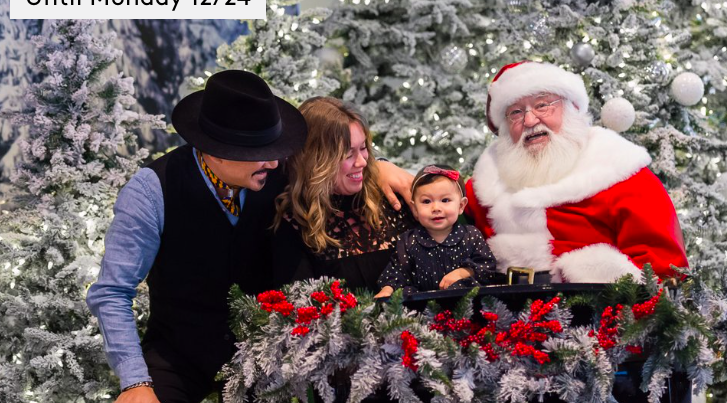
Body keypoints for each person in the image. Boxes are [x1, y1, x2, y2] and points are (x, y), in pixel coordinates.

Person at [86, 71, 413, 403]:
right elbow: (112, 292)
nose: (274, 161)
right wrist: (134, 381)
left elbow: (332, 162)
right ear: (215, 151)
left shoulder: (275, 169)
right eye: (261, 152)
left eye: (275, 149)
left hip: (267, 355)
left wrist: (382, 167)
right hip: (178, 355)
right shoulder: (152, 190)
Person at [465, 61, 688, 283]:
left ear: (570, 108)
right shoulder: (482, 189)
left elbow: (662, 271)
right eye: (515, 112)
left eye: (542, 106)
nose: (530, 120)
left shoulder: (623, 174)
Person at [271, 97, 417, 293]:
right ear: (316, 161)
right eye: (348, 154)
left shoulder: (391, 198)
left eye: (363, 148)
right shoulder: (294, 221)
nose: (362, 162)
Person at [374, 165, 496, 298]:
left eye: (445, 200)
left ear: (461, 206)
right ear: (414, 208)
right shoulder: (408, 241)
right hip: (422, 307)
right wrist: (387, 289)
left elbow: (487, 267)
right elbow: (396, 271)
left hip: (464, 304)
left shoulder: (471, 235)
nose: (436, 208)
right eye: (426, 201)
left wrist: (462, 273)